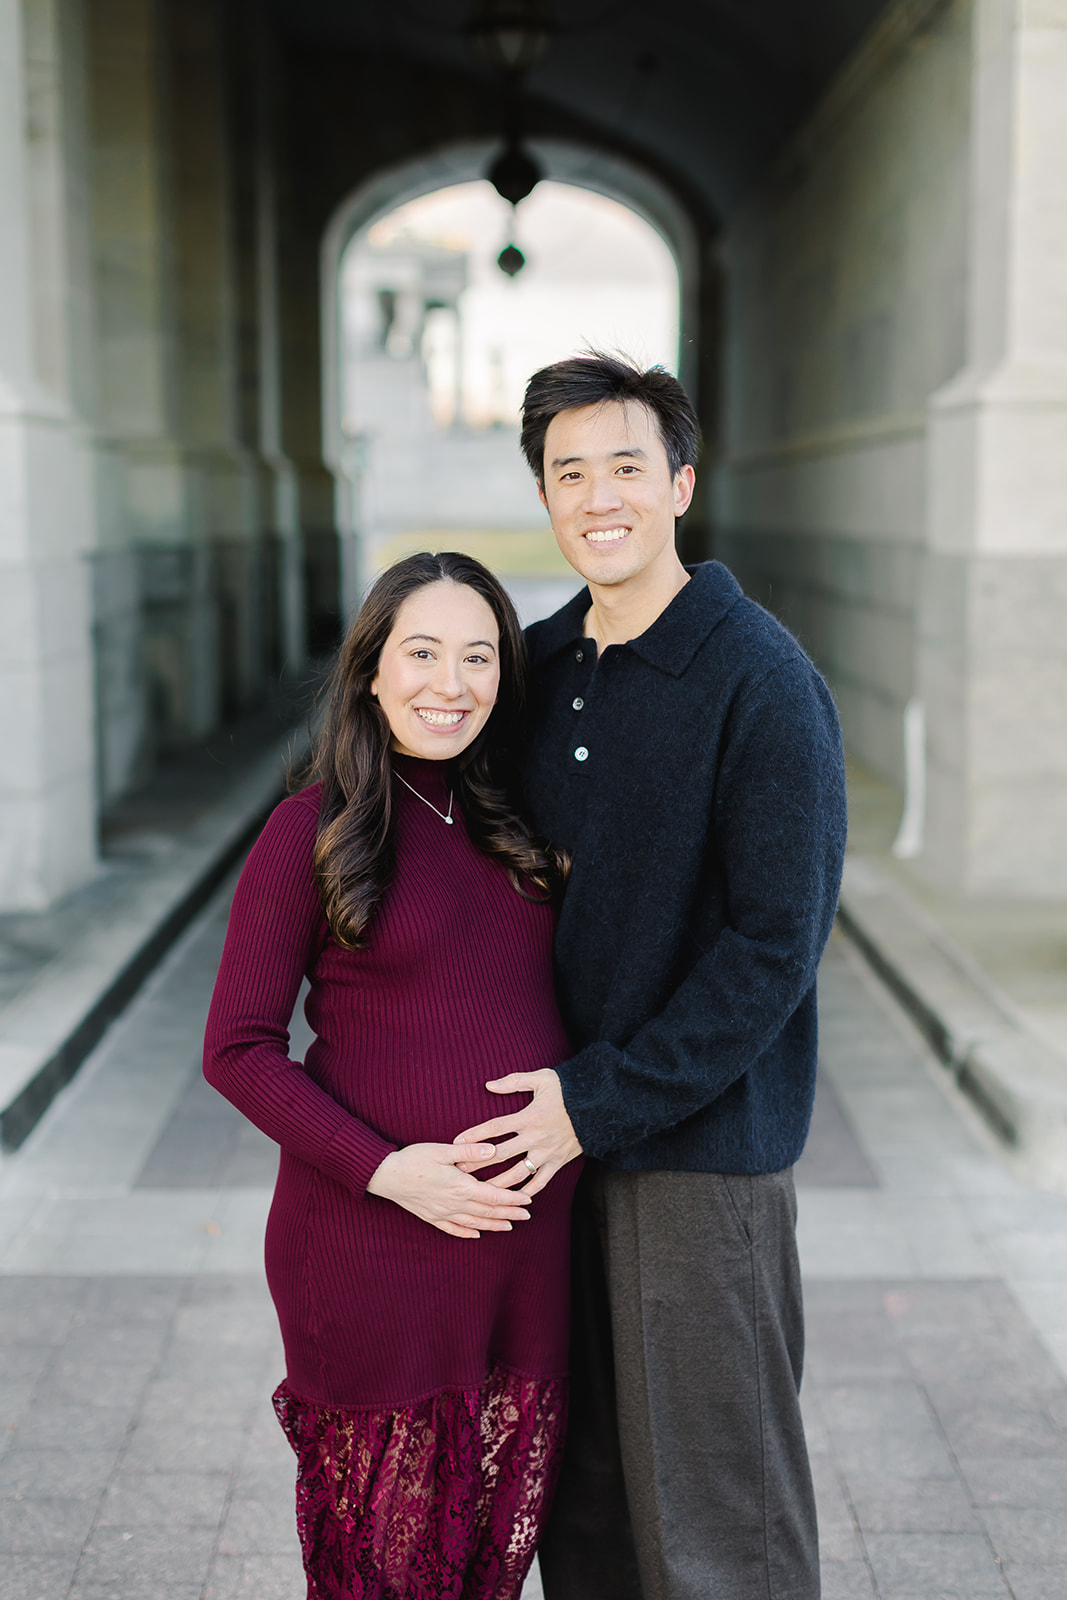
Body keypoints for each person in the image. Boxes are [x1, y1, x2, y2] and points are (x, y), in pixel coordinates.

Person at [454, 353, 847, 1600]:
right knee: (583, 1508)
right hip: (551, 1155)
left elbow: (773, 948)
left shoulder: (761, 679)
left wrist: (599, 1099)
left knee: (717, 1526)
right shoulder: (535, 669)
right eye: (567, 473)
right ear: (545, 499)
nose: (597, 495)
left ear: (679, 482)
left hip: (695, 1161)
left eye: (625, 466)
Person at [203, 551, 581, 1600]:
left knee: (483, 1569)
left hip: (526, 1256)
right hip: (373, 1250)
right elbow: (234, 1047)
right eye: (421, 653)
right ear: (370, 668)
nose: (447, 684)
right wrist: (387, 1170)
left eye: (476, 657)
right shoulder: (309, 832)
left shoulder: (523, 826)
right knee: (385, 1571)